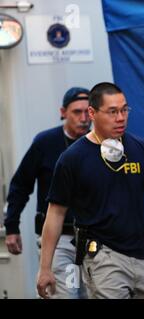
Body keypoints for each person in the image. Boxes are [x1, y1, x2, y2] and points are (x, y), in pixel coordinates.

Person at [36, 82, 144, 299]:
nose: (121, 117)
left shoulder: (142, 149)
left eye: (124, 110)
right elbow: (55, 213)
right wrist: (45, 268)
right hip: (102, 258)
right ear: (92, 113)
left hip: (142, 256)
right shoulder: (72, 159)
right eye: (112, 112)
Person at [4, 87, 91, 299]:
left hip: (94, 238)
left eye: (87, 112)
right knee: (64, 295)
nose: (83, 119)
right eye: (76, 112)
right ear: (63, 112)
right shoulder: (45, 142)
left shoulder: (101, 145)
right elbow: (20, 185)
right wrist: (12, 225)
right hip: (59, 238)